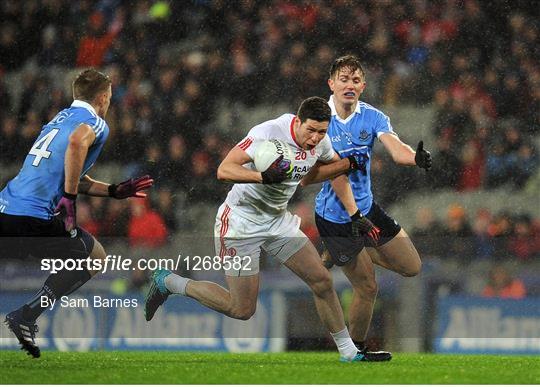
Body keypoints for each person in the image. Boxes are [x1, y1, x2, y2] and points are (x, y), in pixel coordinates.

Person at [145, 96, 370, 362]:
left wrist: (353, 206)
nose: (315, 138)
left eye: (321, 132)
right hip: (241, 222)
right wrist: (261, 177)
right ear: (297, 122)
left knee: (322, 280)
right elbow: (224, 169)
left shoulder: (321, 143)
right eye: (310, 130)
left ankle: (348, 352)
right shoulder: (268, 133)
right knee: (241, 309)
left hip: (276, 220)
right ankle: (170, 282)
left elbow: (314, 176)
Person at [0, 69, 153, 358]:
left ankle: (26, 315)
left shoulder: (57, 120)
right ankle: (27, 315)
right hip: (33, 218)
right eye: (108, 97)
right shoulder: (95, 122)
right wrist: (69, 198)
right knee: (95, 258)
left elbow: (67, 168)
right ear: (103, 97)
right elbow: (76, 144)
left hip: (6, 208)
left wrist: (113, 191)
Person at [306, 55, 433, 361]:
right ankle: (355, 350)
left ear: (363, 85)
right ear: (331, 84)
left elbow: (396, 147)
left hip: (366, 208)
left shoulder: (373, 116)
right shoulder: (319, 120)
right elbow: (313, 175)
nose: (349, 85)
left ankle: (340, 254)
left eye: (355, 80)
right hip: (335, 218)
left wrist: (414, 158)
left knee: (412, 267)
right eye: (343, 79)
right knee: (367, 287)